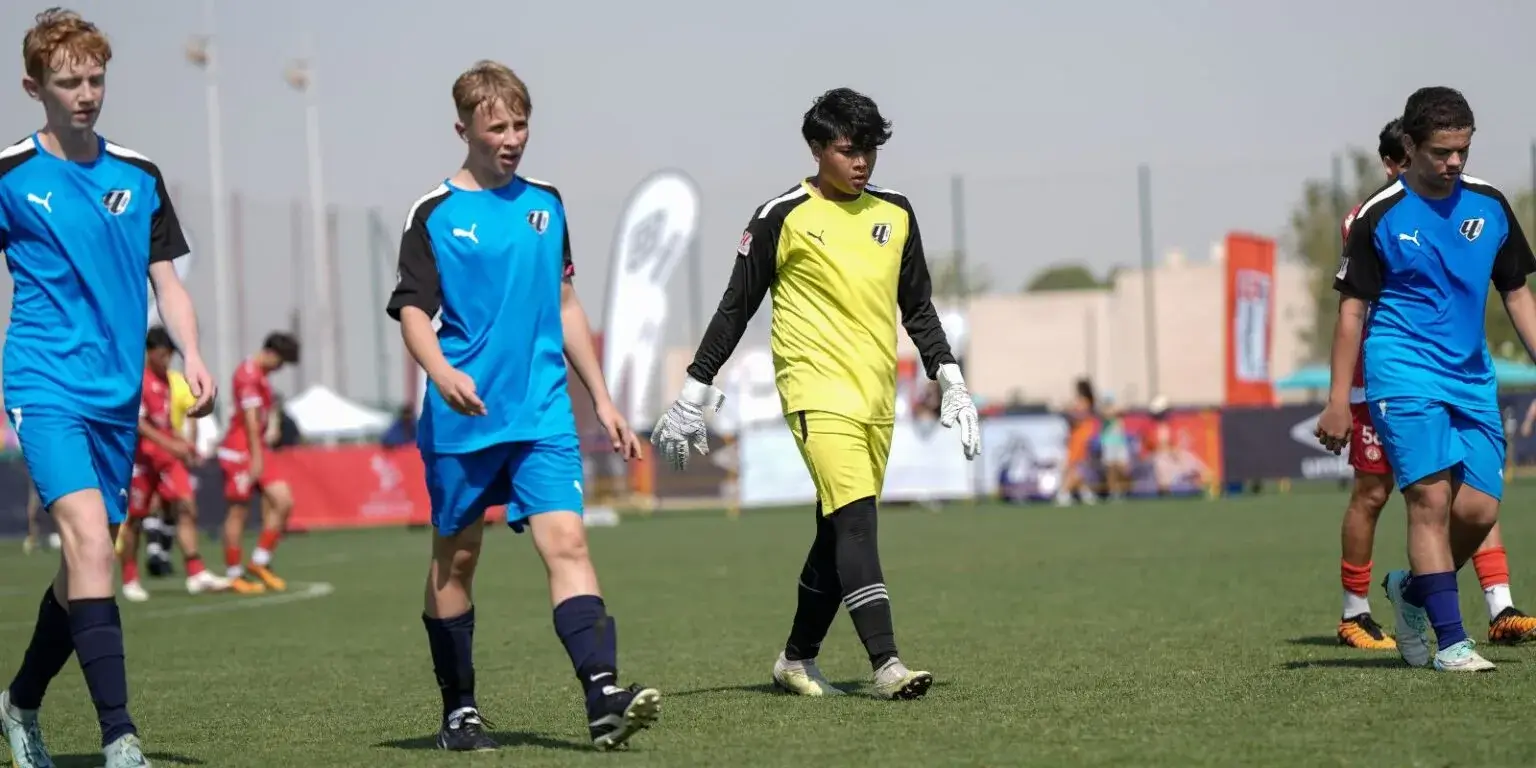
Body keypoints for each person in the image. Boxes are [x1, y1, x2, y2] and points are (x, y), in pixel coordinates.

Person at [651, 87, 981, 700]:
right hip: (814, 394)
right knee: (857, 522)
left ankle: (796, 659)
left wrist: (950, 377)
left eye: (870, 151)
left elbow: (919, 308)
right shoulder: (781, 215)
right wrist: (693, 390)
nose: (862, 163)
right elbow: (735, 307)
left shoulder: (898, 213)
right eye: (848, 150)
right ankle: (887, 665)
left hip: (876, 399)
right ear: (816, 148)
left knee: (838, 531)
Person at [386, 60, 655, 752]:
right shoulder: (434, 214)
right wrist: (440, 371)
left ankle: (602, 698)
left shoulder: (549, 204)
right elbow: (413, 312)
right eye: (496, 126)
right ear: (464, 129)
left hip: (541, 413)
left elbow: (565, 305)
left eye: (520, 124)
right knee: (459, 560)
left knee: (567, 542)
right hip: (464, 419)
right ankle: (460, 710)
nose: (512, 138)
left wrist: (602, 399)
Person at [0, 9, 215, 767]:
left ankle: (19, 703)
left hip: (116, 397)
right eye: (68, 82)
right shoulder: (9, 175)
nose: (86, 94)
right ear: (35, 87)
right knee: (91, 543)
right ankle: (120, 735)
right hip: (43, 383)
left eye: (95, 79)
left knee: (85, 567)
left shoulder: (139, 175)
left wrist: (191, 353)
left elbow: (170, 284)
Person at [1320, 86, 1536, 672]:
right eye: (1442, 151)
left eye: (1463, 149)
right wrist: (1339, 399)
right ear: (1410, 147)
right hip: (1401, 370)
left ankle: (1413, 591)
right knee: (1429, 498)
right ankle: (1452, 643)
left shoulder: (1490, 204)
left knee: (1478, 512)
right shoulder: (1378, 215)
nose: (1455, 163)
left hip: (1471, 377)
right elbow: (1351, 311)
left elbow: (1516, 290)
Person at [116, 327, 232, 601]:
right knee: (135, 519)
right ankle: (130, 577)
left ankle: (196, 572)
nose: (166, 361)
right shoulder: (138, 381)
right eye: (161, 356)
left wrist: (185, 446)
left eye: (169, 356)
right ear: (149, 353)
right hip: (141, 460)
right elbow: (139, 423)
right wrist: (172, 445)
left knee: (186, 505)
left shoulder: (168, 381)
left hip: (166, 458)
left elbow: (166, 422)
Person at [218, 332, 299, 593]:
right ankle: (234, 573)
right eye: (282, 362)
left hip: (257, 448)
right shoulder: (248, 375)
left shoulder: (261, 376)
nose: (281, 368)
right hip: (240, 451)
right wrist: (255, 458)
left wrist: (270, 428)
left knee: (284, 501)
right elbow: (251, 422)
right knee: (238, 512)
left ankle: (259, 562)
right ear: (271, 353)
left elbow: (263, 414)